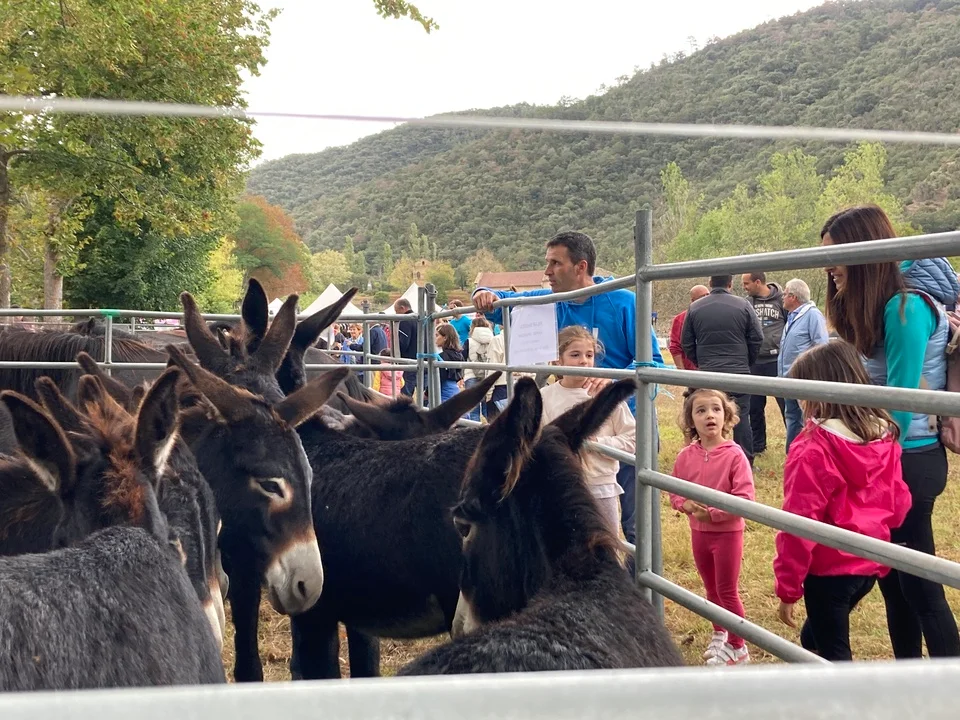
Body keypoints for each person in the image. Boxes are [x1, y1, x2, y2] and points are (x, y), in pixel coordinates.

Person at [821, 204, 960, 658]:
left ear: (864, 253)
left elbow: (899, 404)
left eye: (837, 256)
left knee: (921, 587)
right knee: (896, 585)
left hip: (909, 458)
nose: (830, 267)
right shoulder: (880, 308)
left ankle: (947, 681)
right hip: (891, 455)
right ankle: (907, 677)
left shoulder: (905, 309)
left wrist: (856, 458)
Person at [472, 231, 664, 548]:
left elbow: (653, 362)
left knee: (635, 523)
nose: (547, 271)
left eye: (555, 263)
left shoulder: (623, 301)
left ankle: (637, 579)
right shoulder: (550, 303)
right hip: (574, 427)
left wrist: (612, 381)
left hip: (623, 420)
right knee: (579, 518)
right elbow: (502, 305)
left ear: (580, 267)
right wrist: (483, 292)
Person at [775, 340, 912, 661]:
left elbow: (798, 524)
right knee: (816, 635)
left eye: (802, 393)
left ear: (818, 394)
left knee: (834, 655)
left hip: (829, 570)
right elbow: (899, 501)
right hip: (868, 563)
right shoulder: (883, 437)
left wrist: (788, 588)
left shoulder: (812, 449)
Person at [669, 388, 754, 666]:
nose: (710, 416)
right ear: (691, 420)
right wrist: (685, 504)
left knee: (727, 590)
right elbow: (674, 490)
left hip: (727, 534)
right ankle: (720, 632)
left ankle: (738, 647)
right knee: (711, 589)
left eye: (716, 409)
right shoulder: (686, 456)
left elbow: (745, 499)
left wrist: (714, 514)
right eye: (701, 410)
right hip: (698, 533)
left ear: (726, 416)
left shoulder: (735, 455)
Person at [540, 326, 636, 536]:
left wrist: (599, 444)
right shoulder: (545, 397)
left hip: (601, 486)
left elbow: (633, 439)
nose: (584, 361)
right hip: (561, 488)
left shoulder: (606, 396)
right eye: (575, 355)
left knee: (605, 542)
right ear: (558, 359)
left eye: (589, 355)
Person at [681, 275, 763, 465]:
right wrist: (745, 362)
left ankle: (706, 459)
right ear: (730, 284)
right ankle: (745, 462)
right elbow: (757, 338)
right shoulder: (743, 305)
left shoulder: (695, 308)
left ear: (710, 284)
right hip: (738, 373)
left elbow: (686, 342)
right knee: (741, 418)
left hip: (708, 374)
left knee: (706, 415)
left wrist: (701, 362)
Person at [778, 278, 829, 452]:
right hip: (788, 379)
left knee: (809, 419)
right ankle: (793, 455)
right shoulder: (792, 316)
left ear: (793, 297)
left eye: (785, 294)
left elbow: (821, 346)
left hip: (804, 380)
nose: (782, 297)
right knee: (792, 417)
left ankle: (809, 454)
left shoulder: (812, 315)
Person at [742, 272, 787, 454]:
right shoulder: (747, 303)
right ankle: (758, 445)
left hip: (776, 360)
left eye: (747, 283)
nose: (744, 287)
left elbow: (790, 324)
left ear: (758, 282)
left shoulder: (781, 300)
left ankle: (793, 443)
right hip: (755, 361)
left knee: (786, 405)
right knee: (754, 407)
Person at [669, 285, 709, 370]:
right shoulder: (680, 319)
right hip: (691, 370)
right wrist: (681, 371)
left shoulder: (716, 316)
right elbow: (675, 347)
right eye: (702, 297)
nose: (706, 299)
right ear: (693, 301)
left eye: (708, 295)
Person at [462, 316, 494, 421]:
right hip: (488, 375)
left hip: (471, 375)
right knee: (487, 409)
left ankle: (474, 429)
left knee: (473, 409)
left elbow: (462, 358)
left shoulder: (469, 341)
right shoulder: (493, 340)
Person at [435, 324, 464, 404]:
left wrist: (427, 393)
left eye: (437, 335)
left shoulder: (441, 357)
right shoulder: (458, 354)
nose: (435, 338)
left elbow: (438, 379)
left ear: (445, 337)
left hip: (443, 392)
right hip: (455, 390)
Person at [395, 298, 418, 397]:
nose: (396, 314)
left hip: (409, 360)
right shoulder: (419, 319)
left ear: (402, 308)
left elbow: (403, 343)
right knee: (424, 391)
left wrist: (396, 354)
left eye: (397, 311)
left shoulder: (405, 321)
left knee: (406, 392)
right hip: (422, 358)